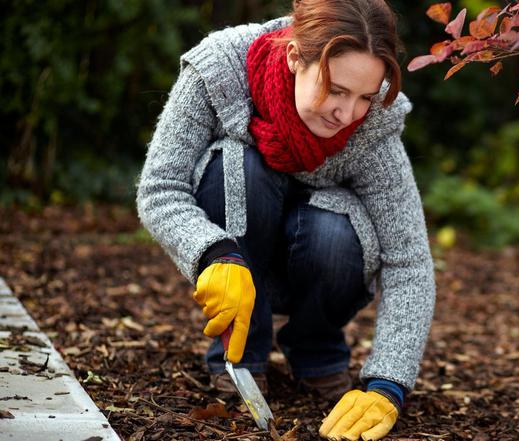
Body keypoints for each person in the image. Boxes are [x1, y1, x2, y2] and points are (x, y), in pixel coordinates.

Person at [135, 0, 436, 439]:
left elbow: (409, 260)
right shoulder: (220, 68)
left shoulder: (375, 125)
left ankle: (317, 352)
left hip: (321, 262)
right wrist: (213, 254)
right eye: (335, 90)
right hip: (236, 256)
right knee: (238, 162)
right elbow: (160, 188)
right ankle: (239, 357)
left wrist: (387, 384)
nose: (348, 113)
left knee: (332, 228)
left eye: (365, 96)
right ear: (295, 56)